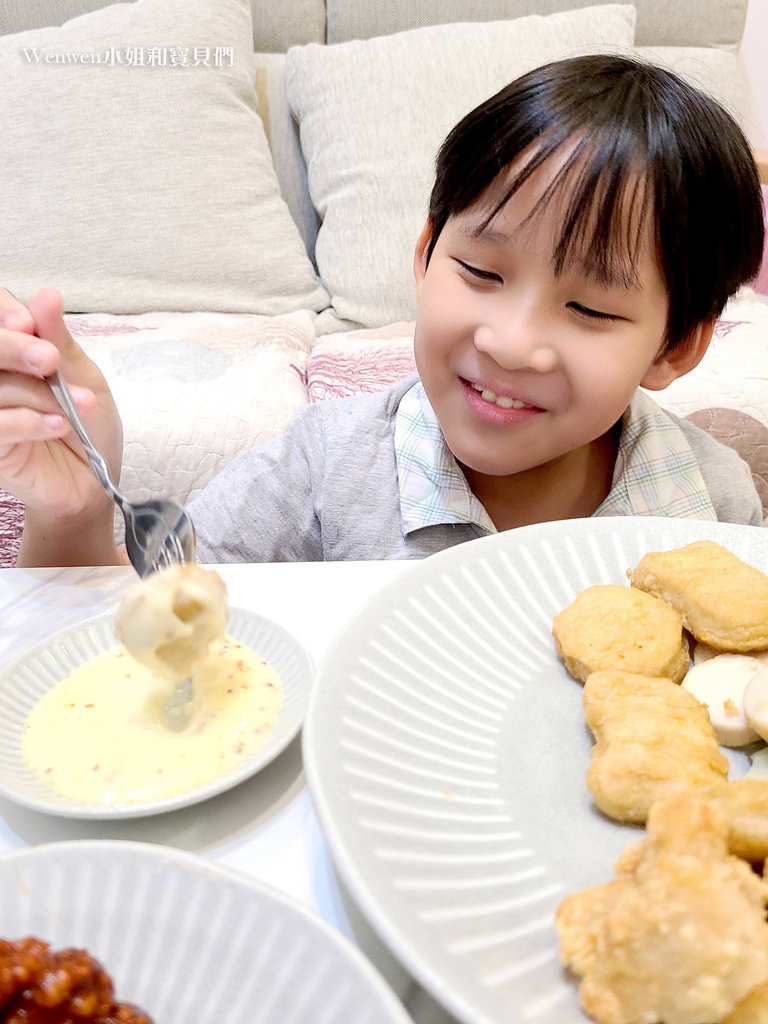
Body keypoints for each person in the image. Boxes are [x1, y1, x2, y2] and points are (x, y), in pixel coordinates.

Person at [0, 54, 764, 567]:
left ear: (676, 347)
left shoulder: (712, 503)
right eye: (480, 270)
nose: (510, 341)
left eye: (591, 309)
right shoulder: (320, 469)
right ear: (426, 255)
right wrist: (70, 517)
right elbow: (156, 636)